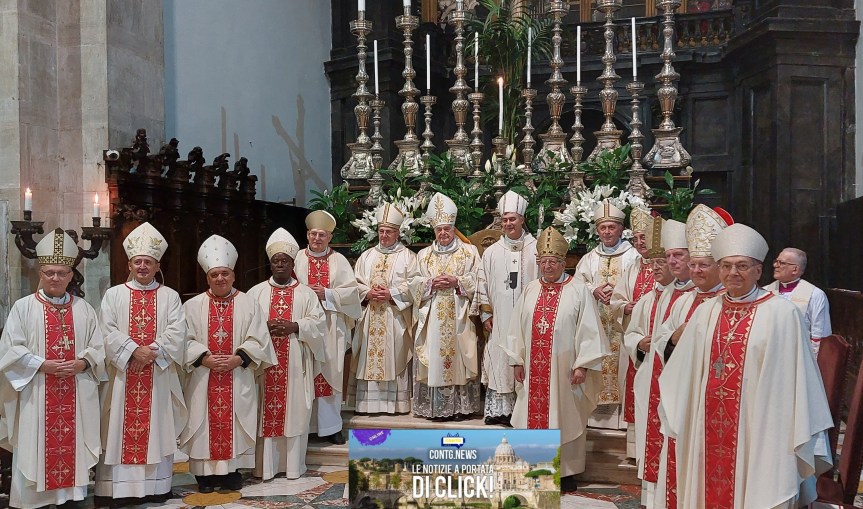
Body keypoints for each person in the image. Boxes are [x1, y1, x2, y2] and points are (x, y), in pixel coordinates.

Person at [659, 224, 833, 508]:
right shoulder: (706, 311)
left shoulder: (782, 314)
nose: (732, 273)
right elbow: (681, 372)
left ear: (758, 270)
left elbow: (796, 381)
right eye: (726, 266)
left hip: (761, 428)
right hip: (707, 426)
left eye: (742, 266)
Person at [0, 228, 107, 508]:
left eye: (62, 273)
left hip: (75, 391)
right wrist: (42, 364)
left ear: (71, 275)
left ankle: (68, 498)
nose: (56, 278)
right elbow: (10, 351)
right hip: (37, 392)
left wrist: (83, 362)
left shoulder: (84, 309)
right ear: (40, 273)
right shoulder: (23, 309)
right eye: (50, 273)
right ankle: (33, 501)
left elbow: (98, 349)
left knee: (71, 457)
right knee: (33, 447)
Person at [499, 226, 608, 493]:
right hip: (533, 371)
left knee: (565, 416)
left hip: (564, 371)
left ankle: (566, 472)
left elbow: (590, 330)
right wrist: (517, 360)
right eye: (543, 261)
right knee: (530, 417)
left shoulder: (579, 290)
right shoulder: (530, 289)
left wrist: (583, 364)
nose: (548, 266)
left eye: (553, 261)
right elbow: (516, 328)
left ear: (563, 262)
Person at [95, 222, 187, 506]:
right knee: (118, 427)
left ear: (157, 264)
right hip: (124, 377)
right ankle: (119, 490)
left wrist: (151, 352)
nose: (143, 266)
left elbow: (177, 331)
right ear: (129, 265)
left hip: (157, 376)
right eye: (138, 261)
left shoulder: (170, 296)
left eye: (148, 261)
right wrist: (134, 351)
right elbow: (106, 330)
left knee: (157, 428)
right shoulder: (114, 295)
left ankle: (157, 487)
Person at [180, 234, 276, 494]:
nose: (220, 279)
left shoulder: (249, 303)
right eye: (214, 275)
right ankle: (204, 475)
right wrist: (204, 357)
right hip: (203, 376)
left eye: (224, 273)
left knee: (235, 420)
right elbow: (182, 340)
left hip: (237, 375)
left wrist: (238, 358)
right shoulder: (191, 306)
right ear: (207, 277)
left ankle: (231, 472)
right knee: (201, 423)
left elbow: (259, 339)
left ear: (233, 275)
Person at [651, 205, 731, 509]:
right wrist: (674, 337)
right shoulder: (683, 302)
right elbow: (662, 340)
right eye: (693, 265)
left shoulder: (732, 304)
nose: (696, 271)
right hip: (684, 402)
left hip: (720, 403)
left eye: (704, 265)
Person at [625, 218, 693, 508]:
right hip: (653, 380)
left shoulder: (695, 297)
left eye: (677, 256)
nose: (668, 263)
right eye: (667, 257)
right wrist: (640, 344)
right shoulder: (660, 296)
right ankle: (654, 500)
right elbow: (636, 336)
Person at [248, 228, 326, 480]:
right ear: (270, 263)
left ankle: (293, 467)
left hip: (295, 363)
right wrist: (264, 327)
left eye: (285, 261)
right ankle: (266, 468)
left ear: (293, 264)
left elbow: (319, 325)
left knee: (294, 414)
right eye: (275, 261)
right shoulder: (255, 293)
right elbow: (245, 325)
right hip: (265, 365)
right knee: (264, 414)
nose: (280, 265)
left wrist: (296, 326)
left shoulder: (306, 293)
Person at [410, 193, 482, 421]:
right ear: (434, 230)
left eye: (447, 229)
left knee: (459, 360)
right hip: (432, 317)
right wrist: (429, 283)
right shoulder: (423, 255)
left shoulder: (469, 252)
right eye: (439, 229)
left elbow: (479, 280)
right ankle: (436, 408)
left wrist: (457, 282)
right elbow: (413, 282)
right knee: (434, 360)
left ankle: (460, 408)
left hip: (459, 314)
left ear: (453, 228)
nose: (443, 233)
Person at [294, 210, 362, 445]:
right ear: (307, 235)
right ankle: (308, 426)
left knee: (331, 373)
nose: (317, 238)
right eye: (313, 234)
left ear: (330, 237)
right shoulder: (296, 259)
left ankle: (331, 427)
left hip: (332, 326)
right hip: (305, 327)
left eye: (322, 235)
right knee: (306, 376)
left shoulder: (339, 260)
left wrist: (327, 293)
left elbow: (352, 293)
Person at [574, 200, 640, 429]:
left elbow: (638, 284)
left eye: (612, 227)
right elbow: (578, 285)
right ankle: (595, 415)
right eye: (603, 228)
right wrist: (594, 290)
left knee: (622, 365)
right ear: (597, 230)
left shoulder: (633, 256)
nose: (607, 232)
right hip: (596, 322)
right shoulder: (590, 258)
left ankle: (620, 420)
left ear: (621, 229)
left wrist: (619, 297)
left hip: (623, 324)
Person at [476, 191, 538, 426]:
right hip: (500, 318)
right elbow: (481, 282)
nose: (508, 224)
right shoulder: (492, 252)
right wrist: (485, 313)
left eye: (512, 219)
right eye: (505, 220)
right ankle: (500, 411)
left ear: (522, 218)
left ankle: (524, 410)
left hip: (529, 318)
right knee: (500, 359)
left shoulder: (536, 249)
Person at [350, 203, 418, 414]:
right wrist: (367, 293)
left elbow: (415, 284)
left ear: (398, 233)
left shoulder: (408, 257)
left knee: (394, 355)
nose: (384, 235)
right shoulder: (366, 256)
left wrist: (391, 294)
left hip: (394, 316)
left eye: (389, 232)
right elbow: (354, 282)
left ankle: (396, 405)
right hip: (370, 315)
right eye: (381, 231)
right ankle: (367, 405)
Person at [609, 206, 654, 457]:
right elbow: (617, 299)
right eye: (636, 238)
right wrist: (627, 306)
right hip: (636, 340)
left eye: (644, 237)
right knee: (635, 389)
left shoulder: (665, 265)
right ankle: (636, 451)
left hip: (658, 339)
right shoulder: (633, 266)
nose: (639, 242)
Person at [764, 247, 832, 357]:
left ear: (795, 269)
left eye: (781, 263)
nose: (775, 265)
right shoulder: (764, 292)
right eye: (776, 261)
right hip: (767, 355)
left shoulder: (815, 295)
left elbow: (820, 335)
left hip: (799, 356)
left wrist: (812, 365)